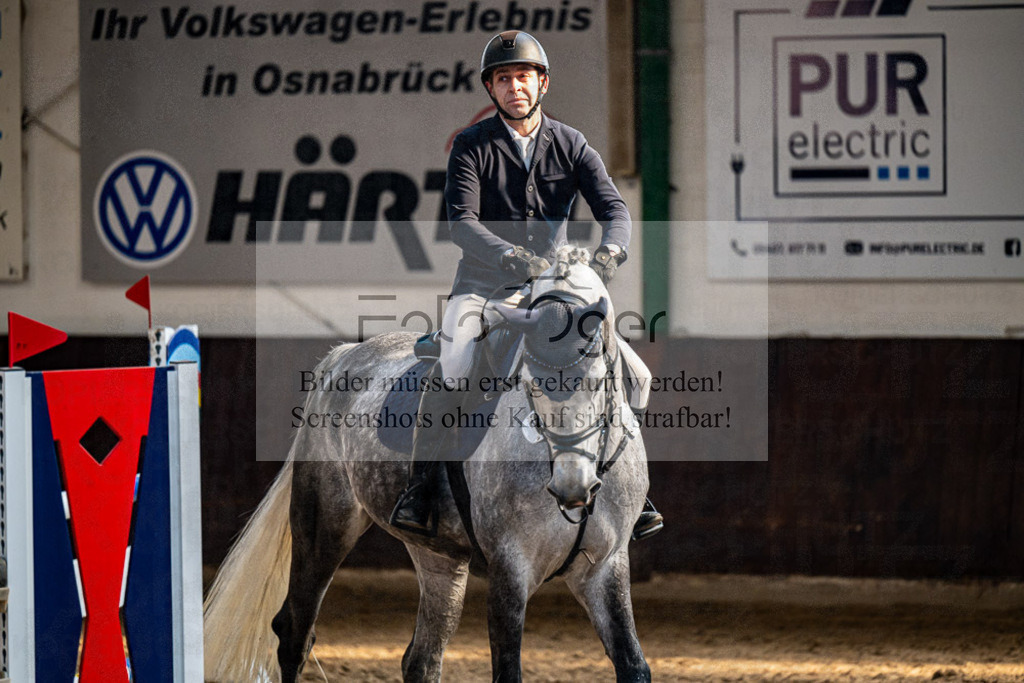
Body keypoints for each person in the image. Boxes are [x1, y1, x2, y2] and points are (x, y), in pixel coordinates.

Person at [390, 30, 662, 540]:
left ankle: (635, 491)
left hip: (555, 290)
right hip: (484, 287)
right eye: (504, 79)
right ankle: (420, 486)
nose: (515, 86)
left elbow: (614, 208)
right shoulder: (472, 146)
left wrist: (611, 251)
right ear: (491, 89)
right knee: (453, 363)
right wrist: (512, 255)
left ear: (543, 84)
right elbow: (461, 223)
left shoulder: (571, 143)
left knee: (637, 376)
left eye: (523, 77)